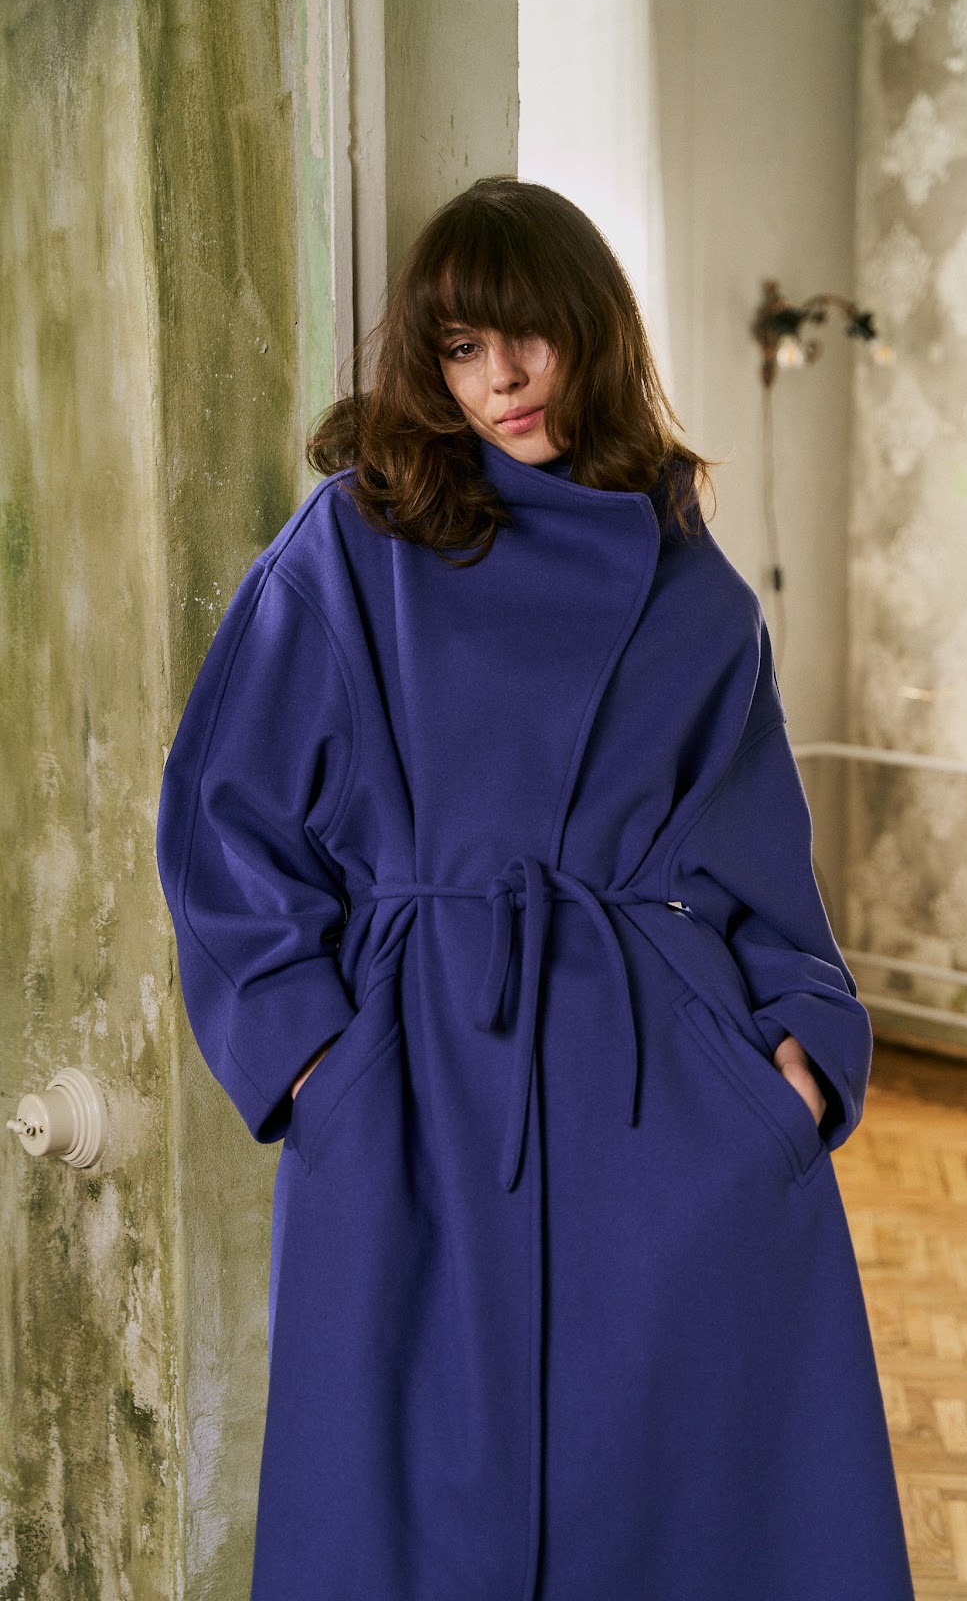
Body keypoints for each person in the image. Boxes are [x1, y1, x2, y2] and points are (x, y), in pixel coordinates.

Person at [156, 175, 915, 1601]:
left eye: (526, 335)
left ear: (593, 331)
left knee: (672, 1511)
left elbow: (759, 860)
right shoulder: (353, 546)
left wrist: (797, 1066)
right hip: (413, 1089)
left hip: (655, 1102)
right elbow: (222, 819)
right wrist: (315, 1056)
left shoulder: (693, 591)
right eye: (458, 348)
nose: (497, 378)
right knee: (397, 1521)